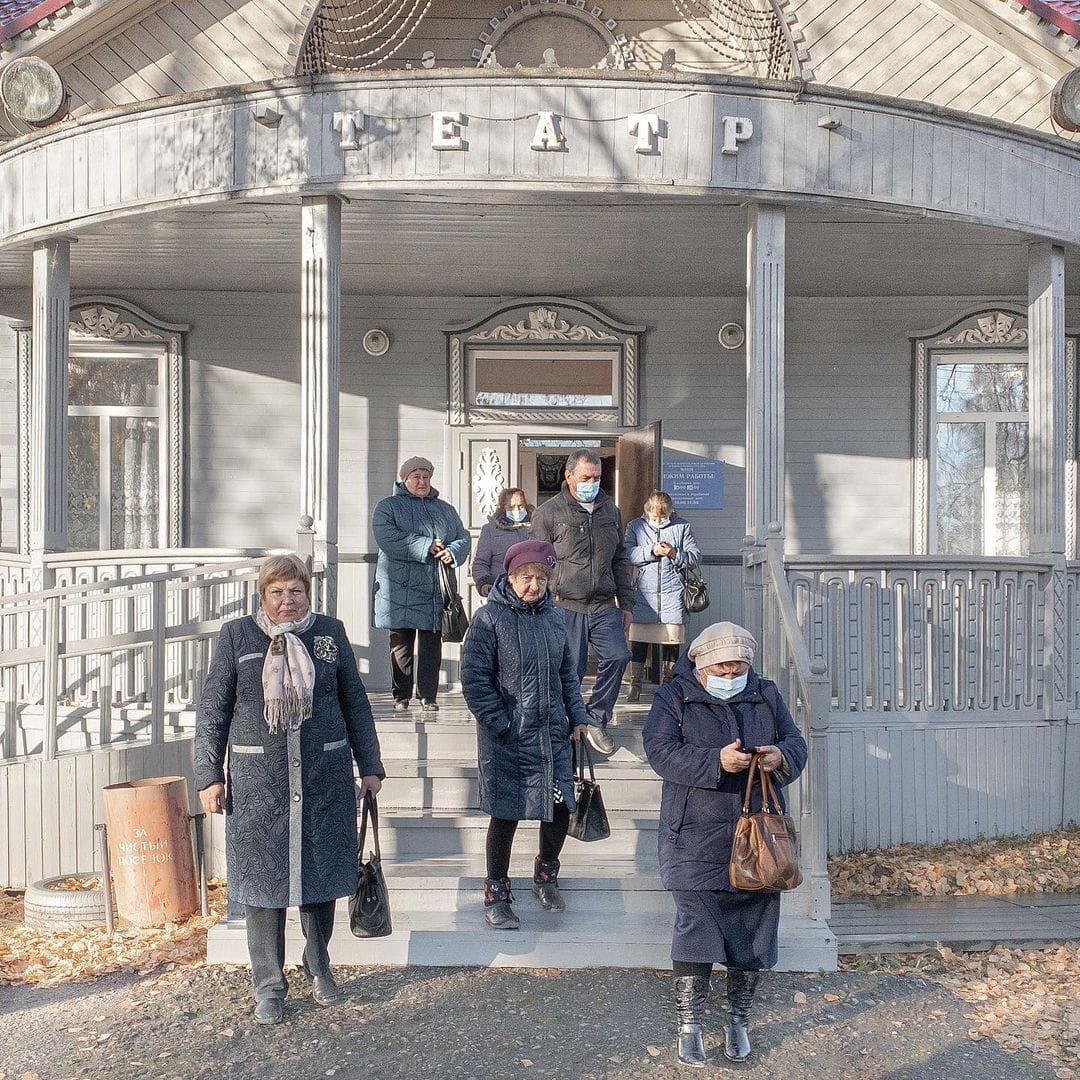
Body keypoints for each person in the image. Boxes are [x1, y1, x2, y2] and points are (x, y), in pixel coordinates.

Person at [194, 553, 384, 1025]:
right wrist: (209, 774)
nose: (287, 600)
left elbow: (354, 703)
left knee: (319, 879)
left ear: (307, 593)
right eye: (276, 592)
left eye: (295, 590)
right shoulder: (237, 636)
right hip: (260, 785)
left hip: (323, 777)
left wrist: (371, 766)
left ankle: (319, 967)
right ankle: (269, 986)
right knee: (263, 887)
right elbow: (214, 709)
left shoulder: (330, 634)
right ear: (262, 596)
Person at [642, 621, 808, 1067]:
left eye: (738, 666)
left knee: (751, 931)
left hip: (759, 840)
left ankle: (738, 1019)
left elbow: (795, 743)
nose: (731, 673)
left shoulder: (766, 693)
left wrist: (781, 757)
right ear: (701, 665)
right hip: (692, 834)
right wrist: (715, 760)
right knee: (695, 929)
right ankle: (690, 1023)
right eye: (722, 666)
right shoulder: (673, 697)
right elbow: (660, 752)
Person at [460, 539, 589, 929]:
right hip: (508, 741)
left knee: (561, 808)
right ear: (511, 578)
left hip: (553, 736)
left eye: (541, 578)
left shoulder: (555, 618)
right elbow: (475, 680)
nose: (534, 585)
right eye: (526, 578)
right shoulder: (488, 619)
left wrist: (578, 716)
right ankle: (497, 893)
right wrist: (502, 724)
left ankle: (545, 875)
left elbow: (568, 675)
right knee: (506, 815)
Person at [530, 448, 634, 756]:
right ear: (569, 475)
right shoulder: (548, 513)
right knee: (570, 670)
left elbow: (619, 560)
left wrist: (627, 603)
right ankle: (568, 725)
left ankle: (597, 718)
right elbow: (537, 563)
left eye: (597, 477)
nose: (592, 483)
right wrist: (540, 602)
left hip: (604, 604)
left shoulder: (611, 512)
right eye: (586, 477)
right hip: (565, 604)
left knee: (618, 657)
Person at [373, 456, 470, 713]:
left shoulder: (445, 509)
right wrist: (425, 545)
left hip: (434, 588)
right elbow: (387, 537)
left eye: (426, 477)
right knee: (401, 644)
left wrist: (453, 551)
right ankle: (401, 696)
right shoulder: (388, 507)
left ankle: (428, 696)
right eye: (416, 477)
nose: (422, 481)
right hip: (398, 588)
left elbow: (462, 536)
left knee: (431, 645)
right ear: (404, 479)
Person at [624, 490, 701, 702]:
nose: (659, 520)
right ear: (647, 511)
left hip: (673, 593)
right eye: (655, 516)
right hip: (644, 594)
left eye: (663, 516)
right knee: (639, 640)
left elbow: (695, 557)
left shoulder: (682, 526)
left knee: (671, 640)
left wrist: (674, 553)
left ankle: (668, 684)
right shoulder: (635, 526)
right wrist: (651, 551)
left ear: (670, 512)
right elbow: (626, 553)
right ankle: (635, 685)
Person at [470, 487, 532, 597]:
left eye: (520, 506)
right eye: (511, 507)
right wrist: (484, 582)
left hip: (531, 592)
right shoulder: (490, 530)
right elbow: (480, 563)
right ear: (503, 508)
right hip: (501, 592)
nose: (516, 510)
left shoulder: (536, 527)